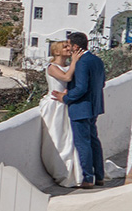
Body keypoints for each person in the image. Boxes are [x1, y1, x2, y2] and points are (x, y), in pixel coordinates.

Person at [51, 32, 106, 188]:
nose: (68, 47)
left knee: (83, 143)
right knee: (94, 141)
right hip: (95, 106)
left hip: (81, 108)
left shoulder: (81, 63)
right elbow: (102, 83)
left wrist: (66, 98)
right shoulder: (97, 60)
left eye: (69, 45)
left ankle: (88, 178)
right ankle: (99, 176)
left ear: (76, 46)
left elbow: (81, 87)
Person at [39, 41, 85, 187]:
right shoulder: (52, 67)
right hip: (55, 106)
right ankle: (60, 169)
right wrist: (75, 61)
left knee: (68, 138)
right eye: (64, 47)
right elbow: (66, 78)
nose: (68, 49)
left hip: (65, 103)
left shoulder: (67, 66)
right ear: (56, 52)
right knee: (57, 136)